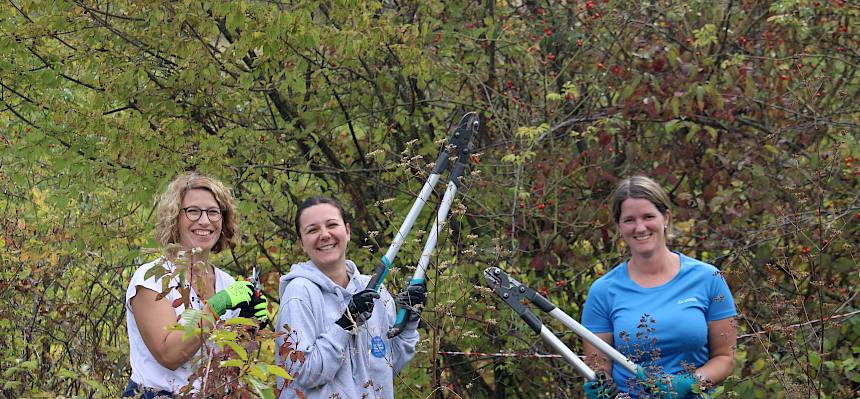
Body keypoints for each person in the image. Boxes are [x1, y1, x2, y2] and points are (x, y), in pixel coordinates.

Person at [581, 175, 737, 399]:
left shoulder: (708, 278)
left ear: (666, 217)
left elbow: (725, 358)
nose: (640, 227)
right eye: (629, 220)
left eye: (648, 216)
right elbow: (599, 368)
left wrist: (689, 383)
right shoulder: (603, 291)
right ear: (618, 226)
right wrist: (598, 387)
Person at [123, 172, 270, 398]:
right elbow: (169, 355)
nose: (204, 220)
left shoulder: (226, 282)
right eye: (193, 211)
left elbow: (229, 366)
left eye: (213, 212)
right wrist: (215, 307)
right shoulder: (152, 279)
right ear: (175, 218)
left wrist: (249, 328)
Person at [275, 196, 424, 399]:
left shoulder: (373, 289)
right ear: (302, 242)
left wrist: (410, 319)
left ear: (347, 231)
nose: (324, 235)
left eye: (331, 225)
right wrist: (346, 323)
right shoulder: (299, 294)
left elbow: (391, 363)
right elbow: (304, 374)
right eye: (312, 230)